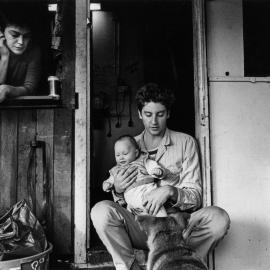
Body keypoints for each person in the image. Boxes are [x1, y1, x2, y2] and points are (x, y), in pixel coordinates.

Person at [91, 83, 230, 270]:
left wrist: (170, 191)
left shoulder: (186, 142)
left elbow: (195, 196)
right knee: (101, 211)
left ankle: (182, 262)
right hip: (142, 224)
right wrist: (117, 189)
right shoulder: (128, 146)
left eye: (160, 114)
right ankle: (131, 267)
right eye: (148, 114)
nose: (154, 121)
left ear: (169, 113)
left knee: (218, 218)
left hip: (177, 226)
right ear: (140, 114)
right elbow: (123, 201)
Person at [103, 134, 167, 217]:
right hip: (132, 203)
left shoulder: (143, 161)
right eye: (117, 155)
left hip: (148, 194)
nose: (121, 158)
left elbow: (152, 166)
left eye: (125, 154)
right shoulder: (116, 169)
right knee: (133, 219)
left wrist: (157, 171)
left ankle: (164, 225)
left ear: (136, 153)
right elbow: (111, 179)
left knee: (160, 214)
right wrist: (107, 184)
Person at [0, 7, 42, 103]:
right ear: (2, 33)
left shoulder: (34, 51)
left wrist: (9, 89)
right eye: (14, 35)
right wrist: (5, 57)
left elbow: (31, 88)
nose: (21, 42)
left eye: (26, 36)